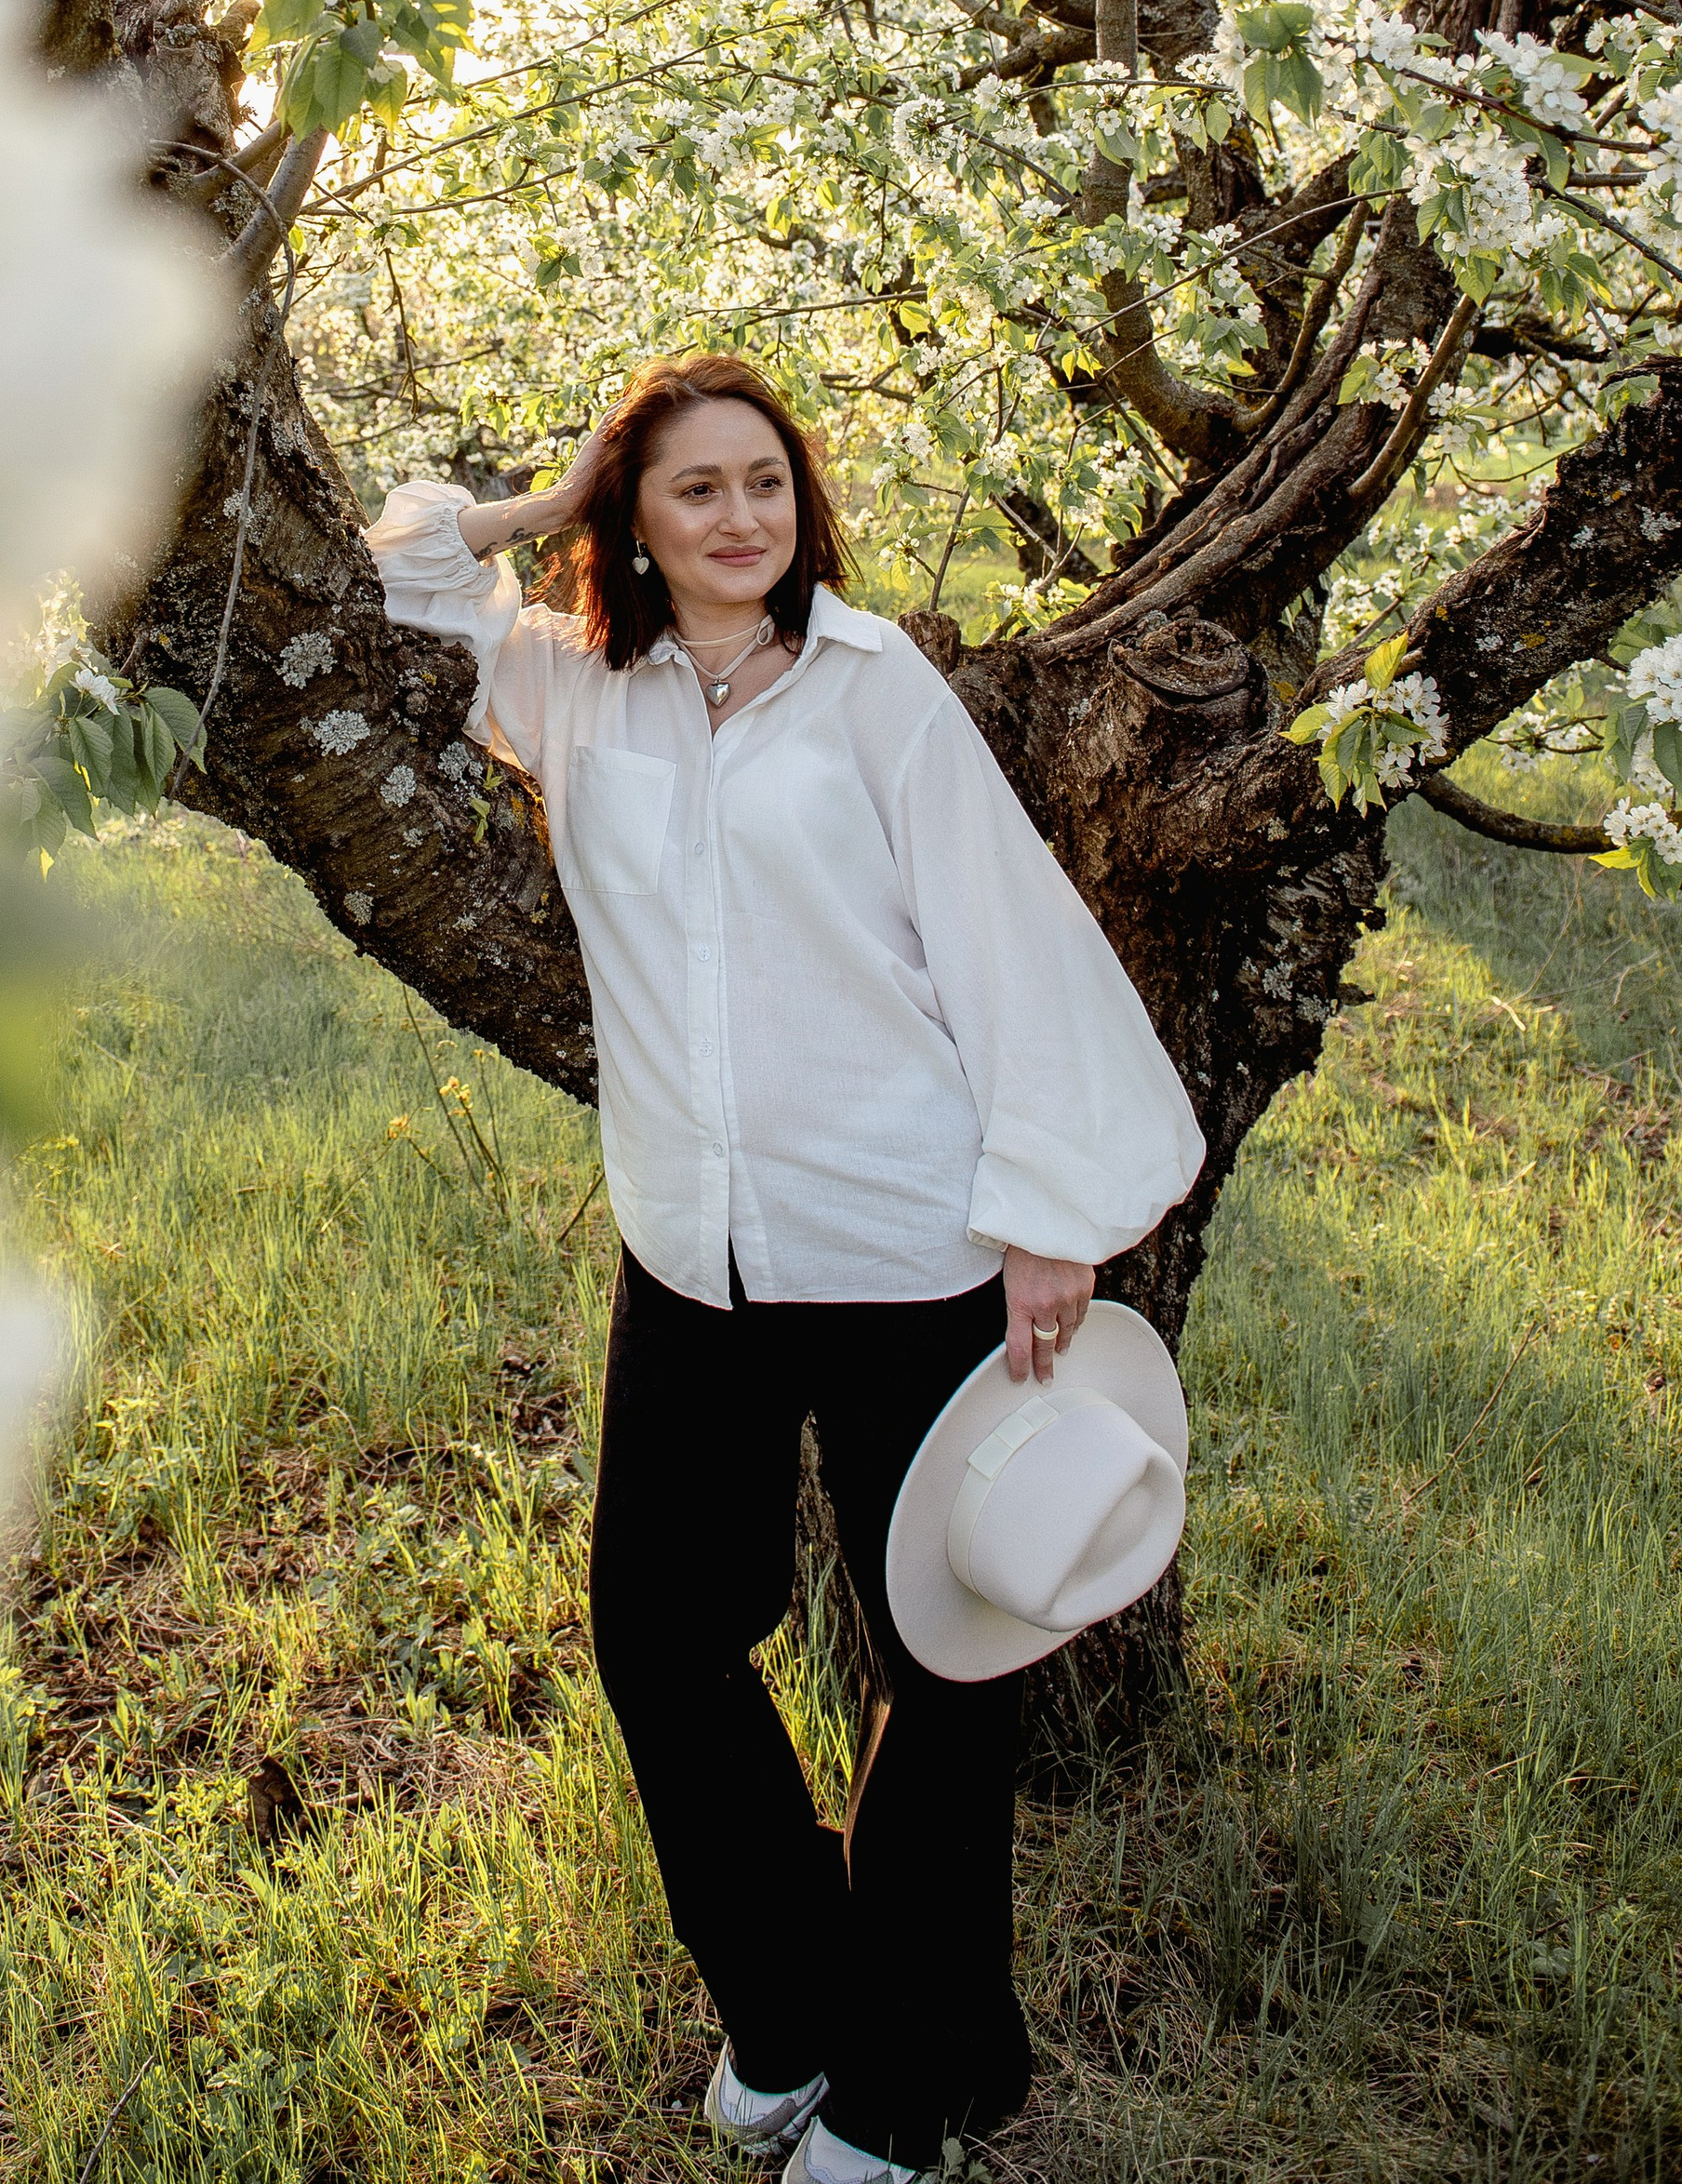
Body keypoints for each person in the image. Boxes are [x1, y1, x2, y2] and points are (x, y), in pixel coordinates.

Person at [364, 353, 1204, 2182]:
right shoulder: (572, 687)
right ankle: (791, 1998)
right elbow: (403, 569)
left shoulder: (873, 685)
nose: (739, 515)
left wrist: (1051, 1208)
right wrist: (541, 493)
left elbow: (1002, 929)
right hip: (693, 1251)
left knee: (943, 1658)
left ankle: (911, 2086)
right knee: (659, 1635)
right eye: (691, 488)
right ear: (633, 524)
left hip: (904, 1241)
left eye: (762, 481)